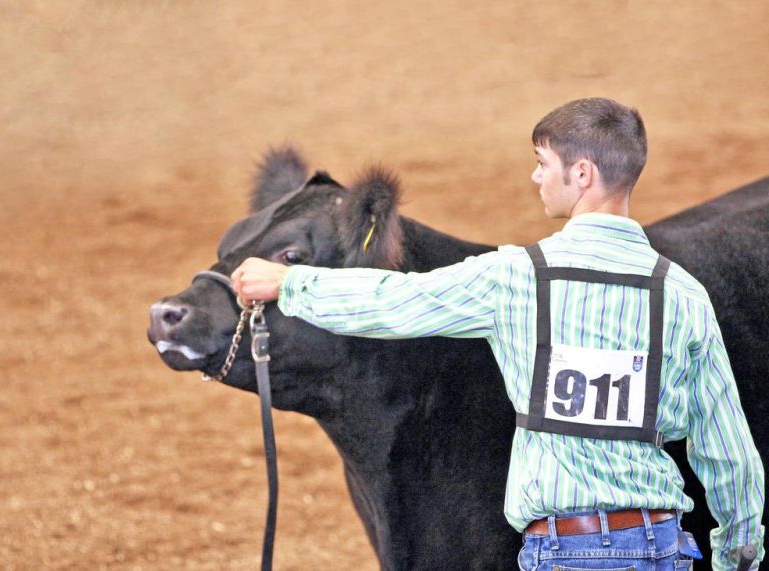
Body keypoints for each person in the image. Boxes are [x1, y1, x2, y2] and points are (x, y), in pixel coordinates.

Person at [231, 98, 764, 570]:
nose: (536, 178)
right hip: (661, 546)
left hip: (564, 550)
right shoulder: (684, 295)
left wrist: (292, 283)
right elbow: (728, 448)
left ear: (581, 174)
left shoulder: (516, 277)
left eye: (543, 164)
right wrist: (739, 552)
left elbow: (393, 301)